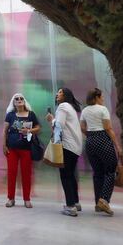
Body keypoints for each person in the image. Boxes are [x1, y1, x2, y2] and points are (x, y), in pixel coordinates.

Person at [80, 88, 122, 216]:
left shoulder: (85, 110)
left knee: (98, 173)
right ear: (96, 97)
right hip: (103, 139)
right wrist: (118, 146)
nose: (103, 99)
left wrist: (91, 136)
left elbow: (82, 127)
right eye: (101, 97)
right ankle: (104, 200)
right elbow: (108, 128)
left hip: (90, 141)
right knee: (111, 170)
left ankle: (98, 203)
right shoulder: (102, 109)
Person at [46, 87, 83, 216]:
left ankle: (70, 206)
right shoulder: (71, 107)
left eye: (61, 92)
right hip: (76, 147)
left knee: (65, 175)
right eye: (58, 92)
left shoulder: (62, 107)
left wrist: (51, 120)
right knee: (71, 175)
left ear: (66, 95)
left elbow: (59, 125)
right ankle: (75, 202)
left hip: (67, 146)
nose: (57, 94)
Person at [3, 93, 41, 208]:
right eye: (16, 99)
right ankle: (11, 198)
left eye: (21, 98)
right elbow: (4, 131)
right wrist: (4, 145)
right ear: (13, 102)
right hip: (12, 149)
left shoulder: (31, 114)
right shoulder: (10, 115)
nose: (19, 100)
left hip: (26, 149)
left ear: (24, 101)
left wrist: (29, 131)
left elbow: (38, 128)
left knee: (26, 174)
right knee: (11, 173)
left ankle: (27, 199)